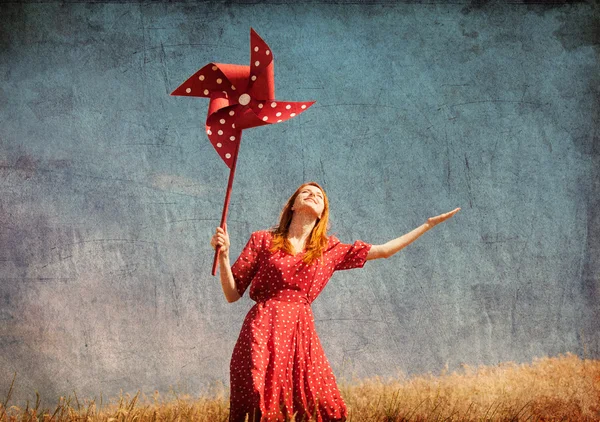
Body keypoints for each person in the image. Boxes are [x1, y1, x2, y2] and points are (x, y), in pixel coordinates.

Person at [211, 182, 460, 421]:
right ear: (293, 205)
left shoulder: (329, 249)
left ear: (322, 214)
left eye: (319, 195)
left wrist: (427, 225)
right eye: (306, 192)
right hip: (263, 328)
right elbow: (232, 294)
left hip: (300, 330)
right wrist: (224, 256)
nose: (313, 195)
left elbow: (384, 251)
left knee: (317, 401)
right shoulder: (262, 239)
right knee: (258, 397)